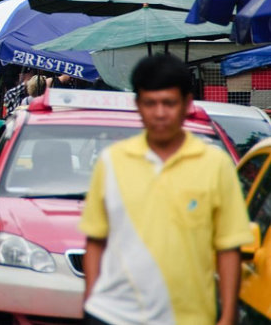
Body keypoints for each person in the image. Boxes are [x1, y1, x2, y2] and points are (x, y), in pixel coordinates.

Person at [79, 55, 251, 324]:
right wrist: (91, 300)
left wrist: (227, 316)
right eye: (150, 103)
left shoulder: (215, 165)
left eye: (169, 103)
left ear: (186, 104)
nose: (160, 113)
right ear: (138, 105)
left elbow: (228, 248)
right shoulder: (111, 162)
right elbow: (95, 241)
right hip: (111, 315)